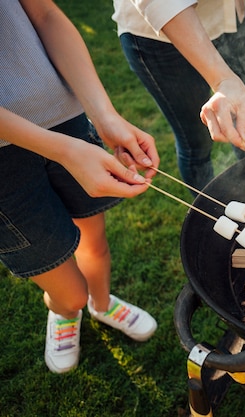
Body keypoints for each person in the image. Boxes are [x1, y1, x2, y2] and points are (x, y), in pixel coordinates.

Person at [0, 0, 161, 374]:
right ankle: (65, 309)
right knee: (69, 289)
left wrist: (104, 116)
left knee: (95, 243)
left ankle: (102, 305)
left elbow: (46, 14)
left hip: (66, 118)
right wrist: (66, 153)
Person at [113, 0, 245, 192]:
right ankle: (213, 215)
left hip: (227, 15)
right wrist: (222, 79)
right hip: (163, 31)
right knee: (196, 143)